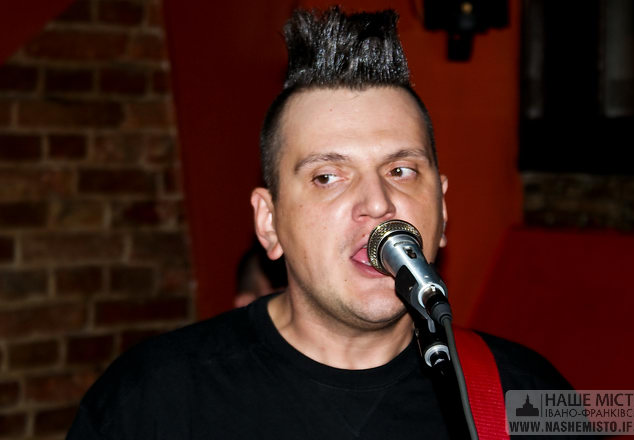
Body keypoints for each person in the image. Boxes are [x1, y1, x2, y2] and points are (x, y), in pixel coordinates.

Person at [67, 7, 572, 439]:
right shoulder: (151, 401)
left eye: (400, 170)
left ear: (440, 210)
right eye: (328, 176)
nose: (378, 203)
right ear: (269, 223)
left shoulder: (529, 396)